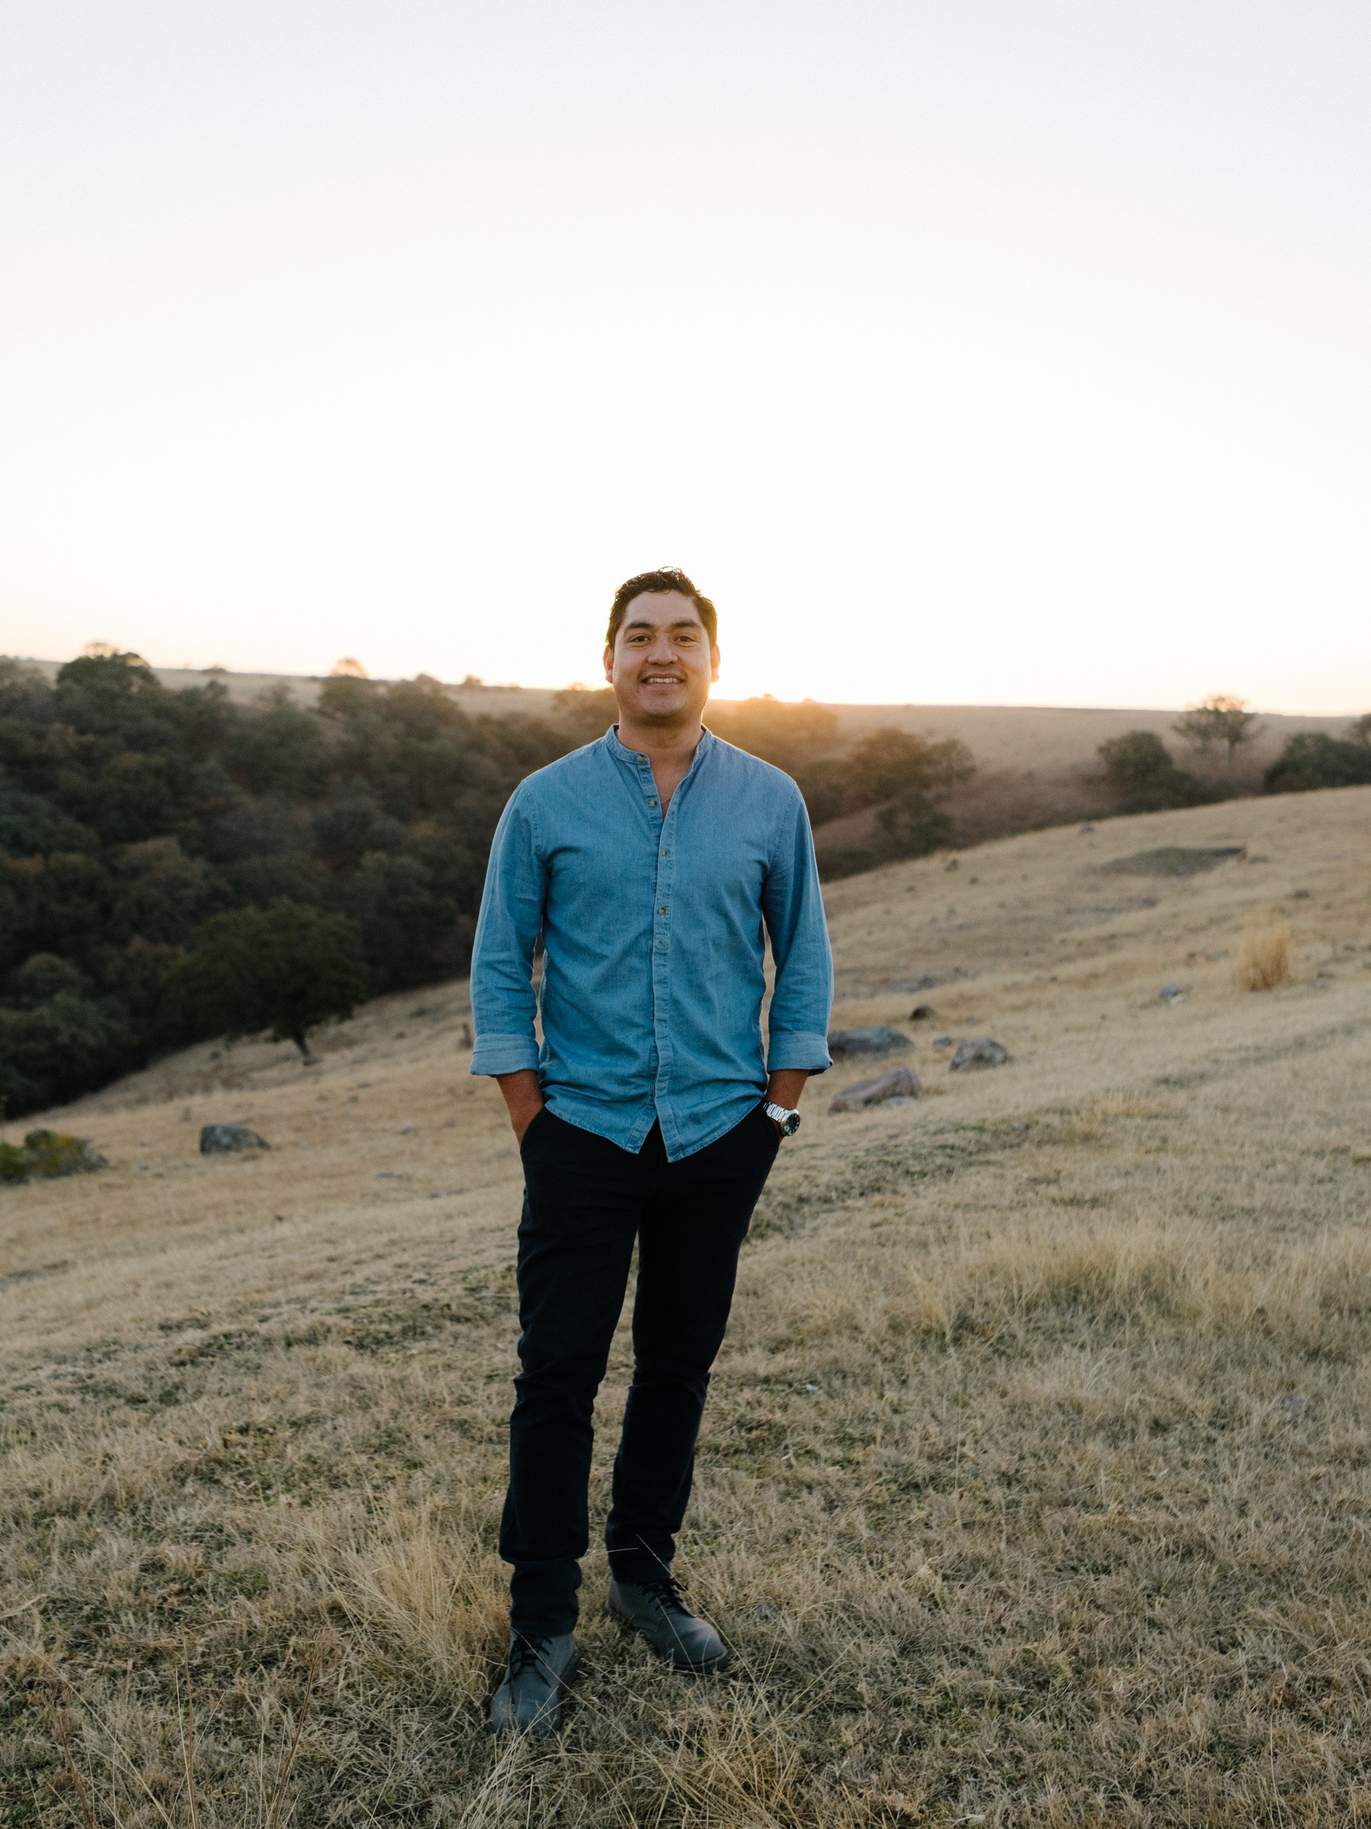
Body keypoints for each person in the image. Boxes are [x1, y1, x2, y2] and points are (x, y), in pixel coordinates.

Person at [466, 567, 834, 1735]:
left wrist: (774, 1110)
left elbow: (804, 959)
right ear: (609, 659)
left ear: (712, 661)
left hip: (722, 1133)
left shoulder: (771, 801)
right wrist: (534, 1117)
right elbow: (496, 966)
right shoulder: (544, 801)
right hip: (582, 1130)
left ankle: (643, 1573)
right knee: (555, 1377)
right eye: (639, 636)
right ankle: (542, 1621)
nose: (660, 653)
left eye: (682, 636)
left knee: (677, 1364)